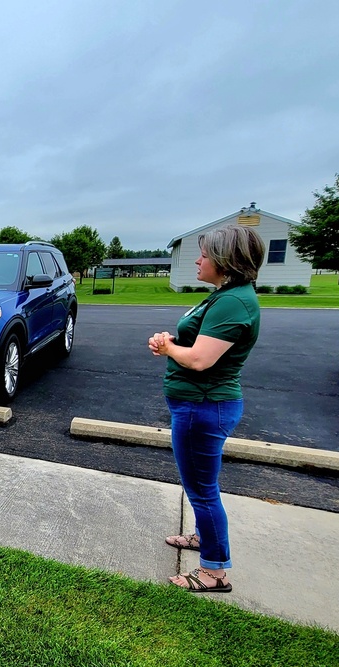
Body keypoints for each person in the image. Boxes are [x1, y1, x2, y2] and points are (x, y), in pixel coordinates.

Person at [148, 224, 265, 594]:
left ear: (225, 261)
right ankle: (203, 537)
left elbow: (199, 360)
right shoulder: (224, 295)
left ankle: (214, 572)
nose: (197, 260)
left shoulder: (233, 301)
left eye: (204, 254)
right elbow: (195, 343)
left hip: (204, 406)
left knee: (201, 489)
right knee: (200, 485)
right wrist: (168, 341)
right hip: (199, 405)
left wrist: (169, 349)